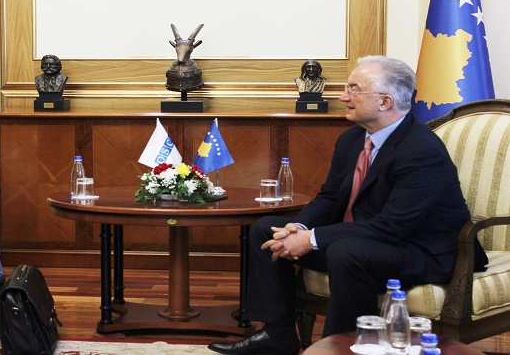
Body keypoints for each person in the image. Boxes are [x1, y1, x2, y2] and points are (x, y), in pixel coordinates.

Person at [208, 55, 488, 355]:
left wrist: (311, 239)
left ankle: (341, 347)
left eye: (354, 89)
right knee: (266, 229)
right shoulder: (352, 139)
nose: (343, 97)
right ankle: (277, 336)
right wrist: (297, 227)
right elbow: (330, 197)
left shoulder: (421, 150)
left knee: (348, 252)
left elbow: (393, 226)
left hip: (422, 250)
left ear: (385, 102)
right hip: (367, 239)